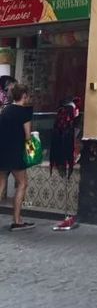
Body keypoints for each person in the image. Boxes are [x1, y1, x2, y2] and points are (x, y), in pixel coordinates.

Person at [0, 83, 35, 230]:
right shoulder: (24, 112)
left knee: (1, 183)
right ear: (24, 96)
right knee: (22, 183)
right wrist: (33, 152)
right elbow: (27, 137)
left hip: (2, 151)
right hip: (15, 153)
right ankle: (17, 220)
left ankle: (17, 219)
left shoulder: (5, 110)